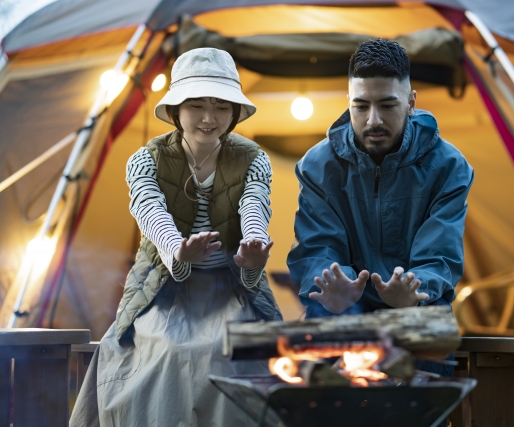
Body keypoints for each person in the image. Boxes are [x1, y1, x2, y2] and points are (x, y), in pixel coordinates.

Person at [70, 48, 282, 427]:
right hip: (163, 287)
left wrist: (253, 249)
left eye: (220, 106)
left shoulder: (252, 158)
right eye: (196, 104)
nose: (207, 117)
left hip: (230, 286)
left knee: (232, 349)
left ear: (234, 112)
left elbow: (255, 205)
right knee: (163, 350)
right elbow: (149, 211)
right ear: (176, 111)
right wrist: (176, 250)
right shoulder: (145, 159)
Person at [287, 39, 474, 375]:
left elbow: (440, 254)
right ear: (348, 102)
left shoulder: (449, 166)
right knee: (321, 352)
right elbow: (317, 247)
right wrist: (330, 284)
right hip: (344, 310)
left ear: (411, 101)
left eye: (388, 105)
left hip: (418, 310)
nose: (373, 120)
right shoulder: (316, 166)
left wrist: (415, 290)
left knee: (421, 368)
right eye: (361, 107)